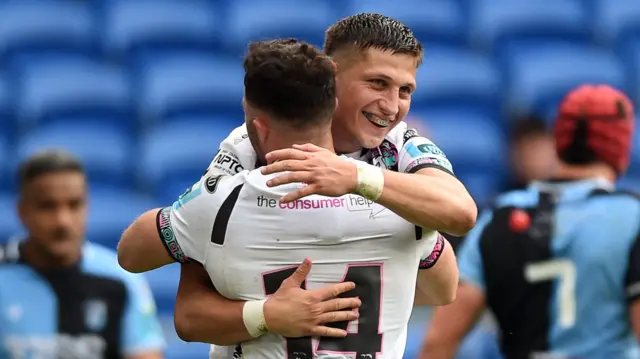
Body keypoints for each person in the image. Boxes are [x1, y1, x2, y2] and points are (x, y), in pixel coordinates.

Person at [136, 13, 474, 350]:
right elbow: (189, 311)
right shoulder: (249, 147)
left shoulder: (398, 146)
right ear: (332, 74)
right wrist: (265, 315)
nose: (391, 107)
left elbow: (459, 219)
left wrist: (356, 179)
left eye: (406, 90)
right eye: (377, 83)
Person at [420, 84, 640, 359]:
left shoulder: (497, 218)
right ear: (621, 147)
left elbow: (437, 343)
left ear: (559, 140)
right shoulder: (632, 218)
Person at [0, 150, 165, 359]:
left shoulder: (121, 279)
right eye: (47, 207)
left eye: (74, 205)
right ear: (22, 211)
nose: (63, 221)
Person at [507, 115, 557, 191]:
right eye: (527, 152)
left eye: (540, 149)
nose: (537, 158)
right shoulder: (507, 198)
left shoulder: (574, 192)